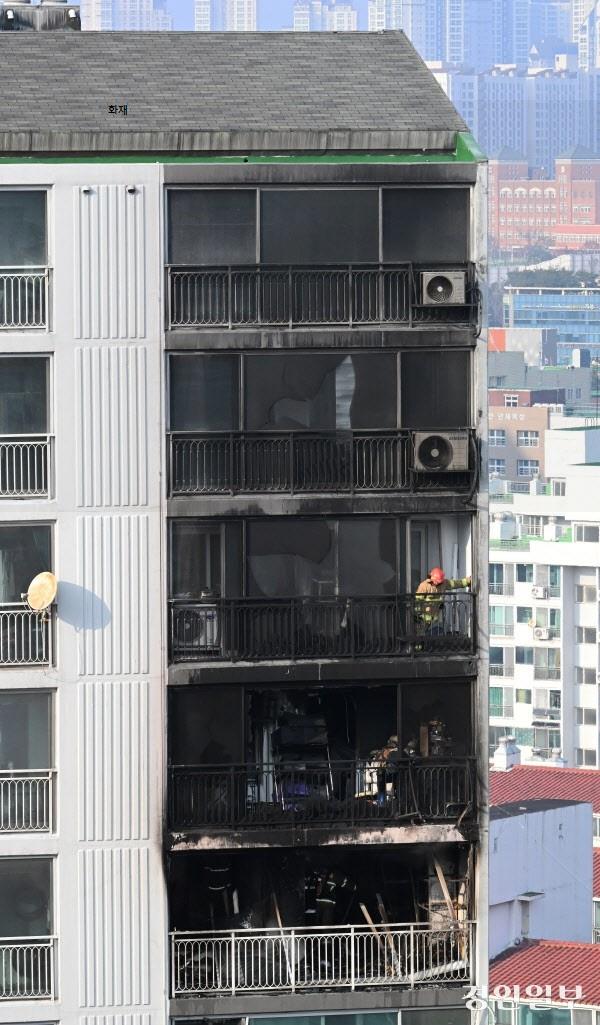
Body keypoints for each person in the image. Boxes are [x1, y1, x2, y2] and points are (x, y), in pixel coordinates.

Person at [415, 567, 471, 636]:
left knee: (436, 633)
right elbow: (417, 600)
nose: (436, 583)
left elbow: (455, 583)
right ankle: (420, 642)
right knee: (421, 636)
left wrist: (467, 581)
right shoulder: (424, 586)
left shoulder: (444, 583)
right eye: (436, 580)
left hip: (435, 617)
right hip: (424, 617)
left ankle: (430, 642)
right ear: (431, 577)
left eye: (438, 581)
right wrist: (417, 615)